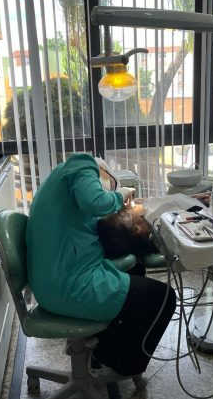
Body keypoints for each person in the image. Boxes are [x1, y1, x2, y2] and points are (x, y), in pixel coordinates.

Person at [25, 153, 176, 377]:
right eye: (107, 186)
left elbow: (97, 225)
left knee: (136, 269)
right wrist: (119, 194)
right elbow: (96, 202)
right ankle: (123, 363)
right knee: (163, 298)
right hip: (68, 286)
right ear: (103, 173)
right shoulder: (82, 164)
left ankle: (101, 346)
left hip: (53, 281)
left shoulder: (63, 186)